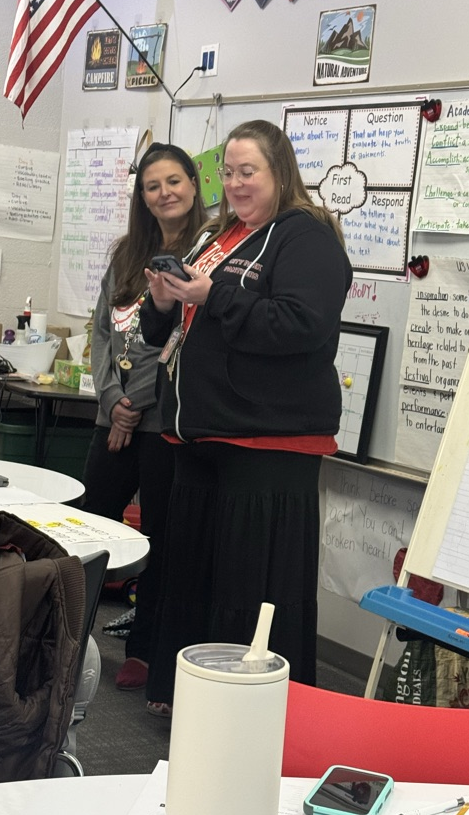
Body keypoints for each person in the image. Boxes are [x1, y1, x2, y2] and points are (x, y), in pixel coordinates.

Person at [140, 119, 353, 712]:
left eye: (248, 171)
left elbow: (301, 326)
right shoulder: (221, 235)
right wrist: (163, 303)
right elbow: (179, 325)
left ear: (278, 172)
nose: (235, 183)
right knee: (195, 578)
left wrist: (215, 297)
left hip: (267, 443)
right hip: (203, 435)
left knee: (248, 586)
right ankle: (191, 698)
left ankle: (248, 707)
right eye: (228, 172)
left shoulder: (305, 237)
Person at [81, 143, 207, 694]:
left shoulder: (209, 252)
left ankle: (145, 650)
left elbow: (181, 339)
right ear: (142, 196)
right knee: (89, 522)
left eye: (174, 181)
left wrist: (137, 408)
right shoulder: (128, 253)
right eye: (153, 186)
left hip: (164, 424)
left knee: (160, 538)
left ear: (194, 184)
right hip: (116, 415)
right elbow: (103, 334)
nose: (164, 194)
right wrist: (114, 403)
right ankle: (69, 632)